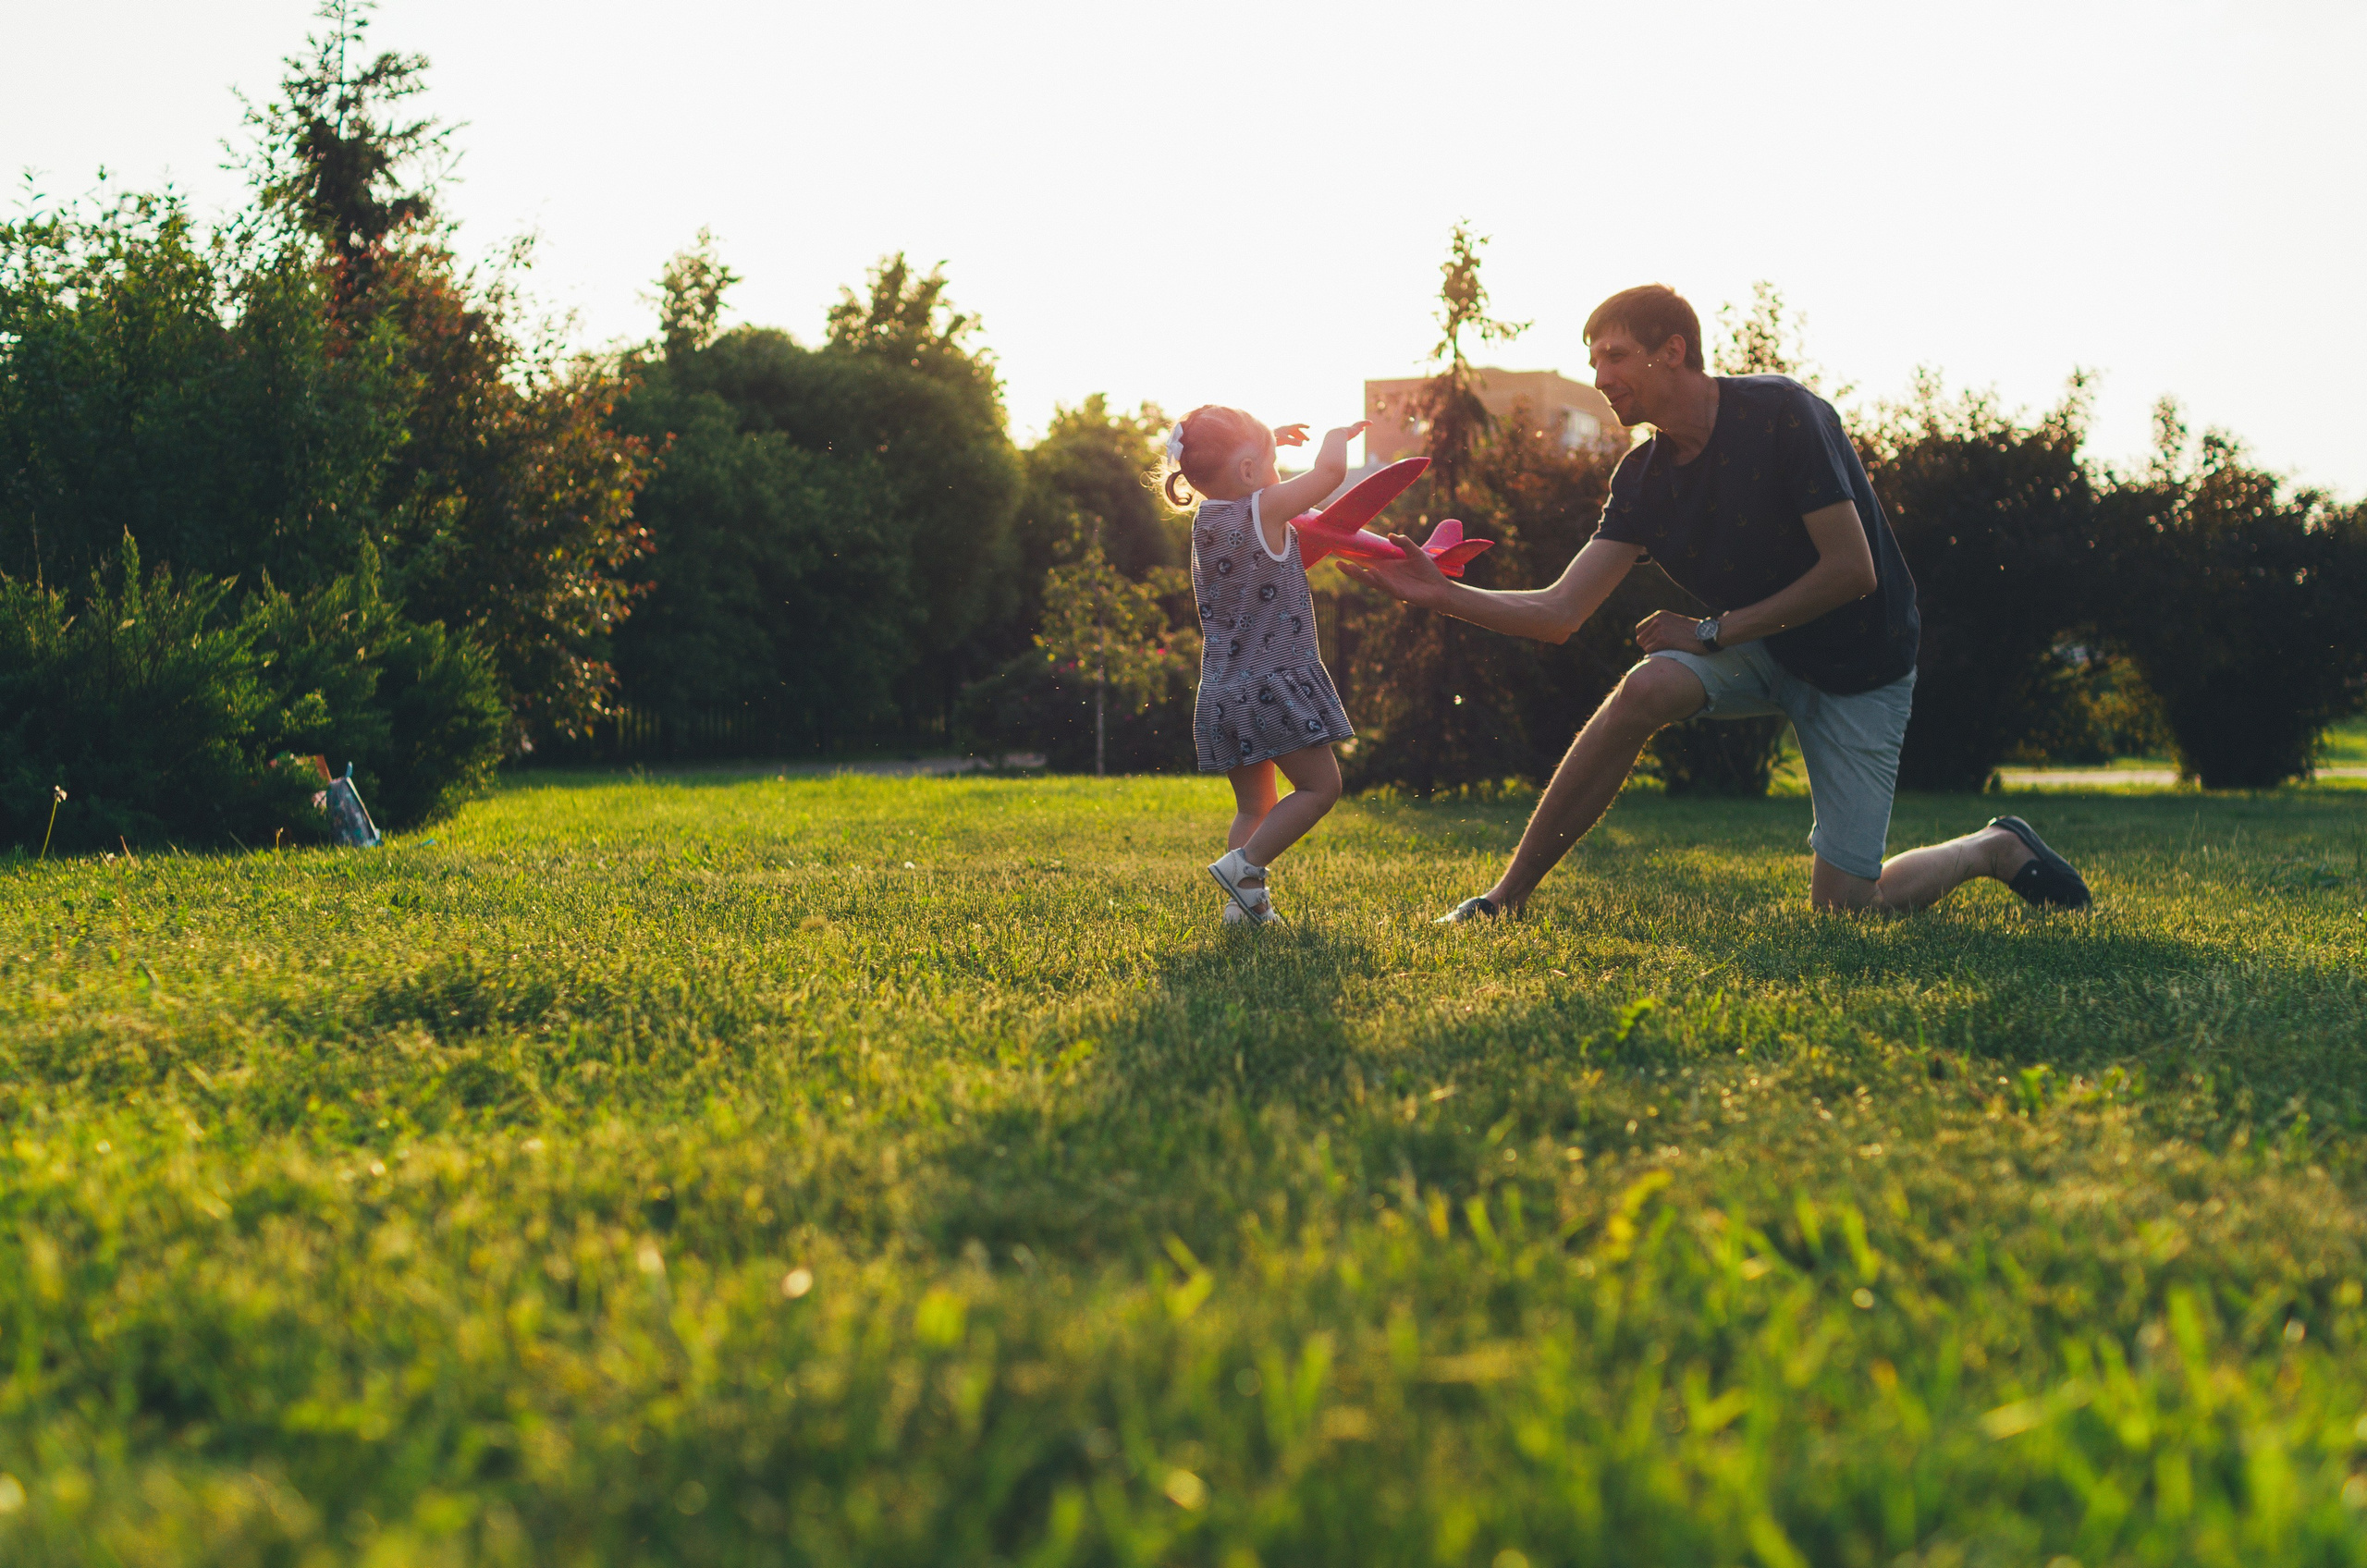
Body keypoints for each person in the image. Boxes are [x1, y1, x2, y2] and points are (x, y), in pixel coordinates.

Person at [1340, 284, 2091, 922]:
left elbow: (1850, 571)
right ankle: (1506, 899)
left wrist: (1710, 630)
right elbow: (1560, 612)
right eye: (1593, 359)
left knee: (1846, 908)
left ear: (1674, 350)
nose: (1600, 375)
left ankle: (1993, 848)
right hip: (1761, 644)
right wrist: (1442, 595)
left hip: (1862, 663)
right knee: (1645, 687)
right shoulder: (1640, 478)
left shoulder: (1783, 416)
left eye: (1615, 356)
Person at [1161, 407, 1368, 925]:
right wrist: (1336, 437)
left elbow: (1234, 478)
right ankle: (1245, 866)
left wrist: (1262, 447)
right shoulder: (1266, 508)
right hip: (1273, 684)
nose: (1279, 476)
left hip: (1223, 690)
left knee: (1254, 807)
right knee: (1322, 788)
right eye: (1270, 464)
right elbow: (1328, 477)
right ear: (1251, 472)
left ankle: (1245, 906)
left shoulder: (1206, 520)